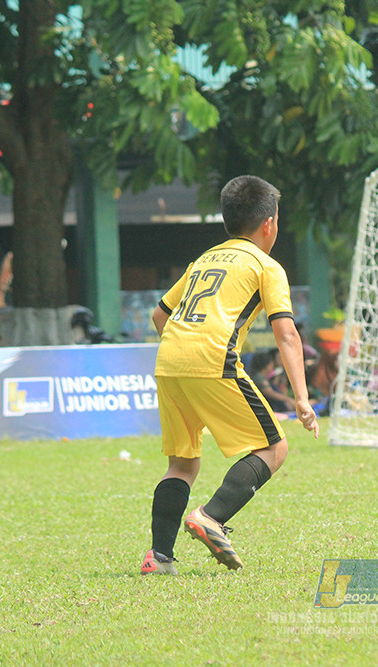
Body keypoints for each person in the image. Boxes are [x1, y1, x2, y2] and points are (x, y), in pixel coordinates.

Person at [141, 175, 318, 575]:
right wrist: (303, 399)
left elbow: (159, 315)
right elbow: (286, 333)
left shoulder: (204, 259)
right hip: (212, 360)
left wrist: (182, 353)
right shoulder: (265, 265)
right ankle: (211, 517)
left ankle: (159, 557)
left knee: (182, 464)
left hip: (169, 361)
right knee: (275, 449)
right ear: (269, 223)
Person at [249, 349, 296, 413]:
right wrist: (288, 399)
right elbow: (271, 394)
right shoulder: (259, 378)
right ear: (267, 365)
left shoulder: (264, 377)